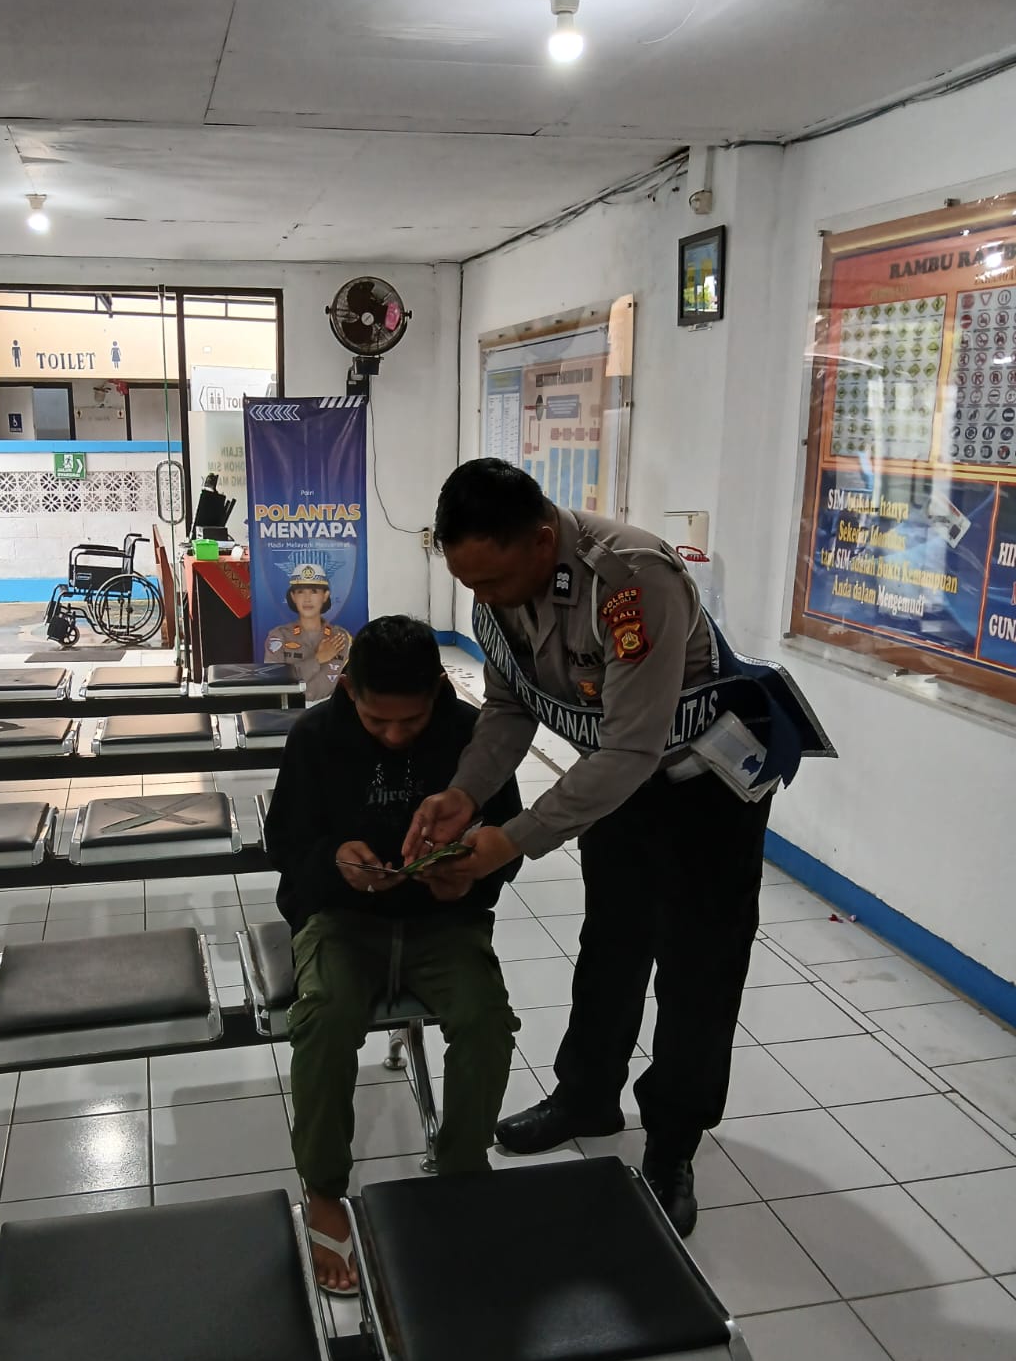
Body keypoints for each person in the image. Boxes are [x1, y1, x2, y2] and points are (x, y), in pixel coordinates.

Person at [403, 459, 832, 1237]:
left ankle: (672, 1143)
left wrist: (510, 841)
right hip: (616, 785)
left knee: (698, 971)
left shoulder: (633, 581)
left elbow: (633, 747)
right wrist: (465, 793)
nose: (483, 598)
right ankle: (587, 1096)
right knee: (611, 946)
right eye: (469, 583)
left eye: (494, 580)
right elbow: (508, 708)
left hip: (706, 790)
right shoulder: (495, 587)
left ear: (542, 540)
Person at [264, 614, 523, 1293]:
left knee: (485, 1022)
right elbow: (285, 845)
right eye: (378, 721)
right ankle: (324, 1186)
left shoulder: (472, 737)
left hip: (444, 922)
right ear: (349, 688)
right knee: (323, 1019)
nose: (396, 735)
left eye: (412, 720)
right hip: (344, 920)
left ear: (438, 688)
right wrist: (335, 861)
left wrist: (469, 874)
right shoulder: (316, 735)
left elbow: (506, 840)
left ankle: (463, 1169)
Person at [262, 561, 352, 701]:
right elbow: (275, 681)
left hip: (331, 709)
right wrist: (318, 659)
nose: (307, 599)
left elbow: (352, 681)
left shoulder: (341, 637)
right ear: (293, 596)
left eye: (314, 591)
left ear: (325, 595)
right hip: (291, 707)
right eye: (300, 592)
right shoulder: (279, 636)